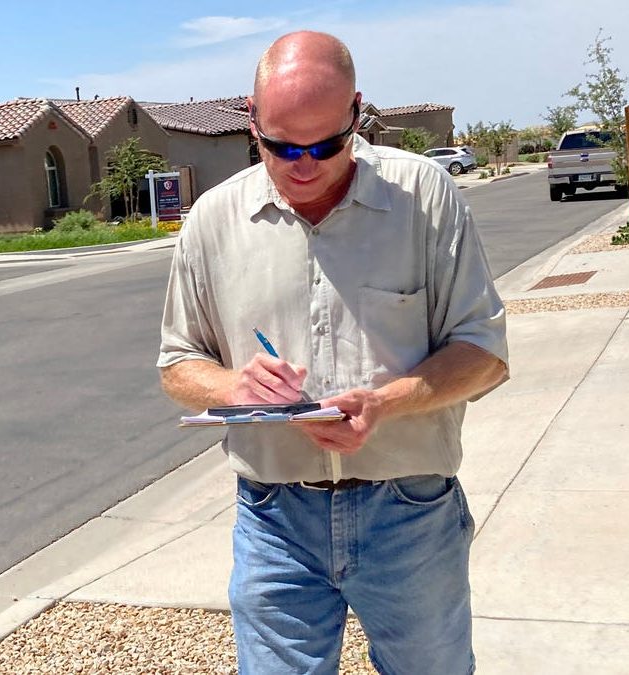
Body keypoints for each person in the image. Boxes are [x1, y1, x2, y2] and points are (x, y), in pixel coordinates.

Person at [158, 30, 508, 674]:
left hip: (407, 511)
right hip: (274, 519)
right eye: (281, 145)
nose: (304, 164)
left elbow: (482, 351)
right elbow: (179, 365)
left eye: (326, 143)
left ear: (358, 112)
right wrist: (233, 387)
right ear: (251, 119)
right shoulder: (212, 221)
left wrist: (386, 401)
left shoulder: (424, 198)